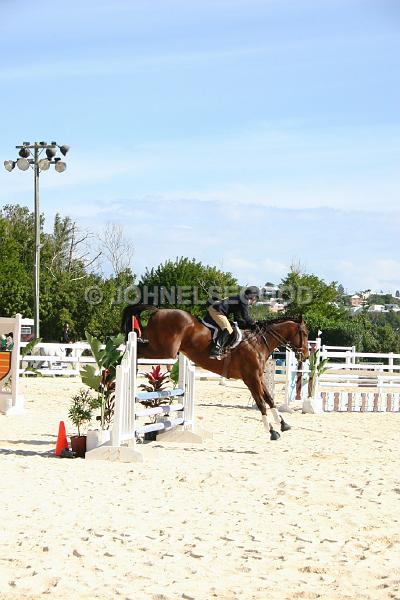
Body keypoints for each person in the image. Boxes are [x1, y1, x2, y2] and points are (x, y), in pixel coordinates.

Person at [207, 286, 260, 358]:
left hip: (218, 310)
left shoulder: (241, 299)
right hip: (216, 311)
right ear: (254, 297)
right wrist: (254, 323)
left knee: (231, 327)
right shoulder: (244, 300)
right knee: (228, 329)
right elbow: (246, 317)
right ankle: (215, 349)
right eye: (256, 299)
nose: (255, 302)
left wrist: (245, 325)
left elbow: (237, 317)